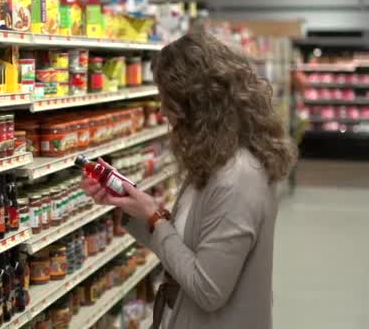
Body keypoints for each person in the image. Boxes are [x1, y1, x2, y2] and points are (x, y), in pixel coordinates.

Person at [80, 30, 297, 329]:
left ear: (196, 105)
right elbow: (187, 249)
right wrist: (134, 207)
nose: (161, 110)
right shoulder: (214, 160)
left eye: (166, 99)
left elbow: (208, 290)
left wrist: (155, 219)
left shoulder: (238, 178)